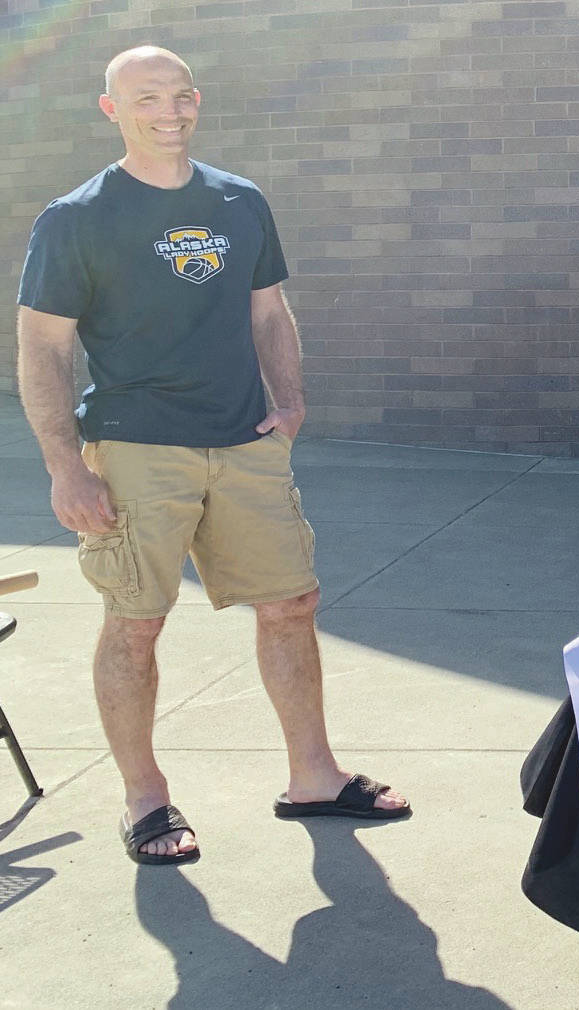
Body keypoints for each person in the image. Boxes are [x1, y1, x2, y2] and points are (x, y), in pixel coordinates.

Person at [15, 47, 409, 866]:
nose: (169, 110)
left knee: (291, 604)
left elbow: (269, 310)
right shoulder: (77, 216)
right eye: (146, 97)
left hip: (244, 443)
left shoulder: (239, 200)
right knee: (136, 622)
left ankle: (314, 775)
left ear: (197, 101)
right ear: (111, 109)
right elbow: (43, 347)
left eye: (180, 95)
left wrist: (291, 398)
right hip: (133, 449)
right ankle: (145, 798)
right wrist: (65, 466)